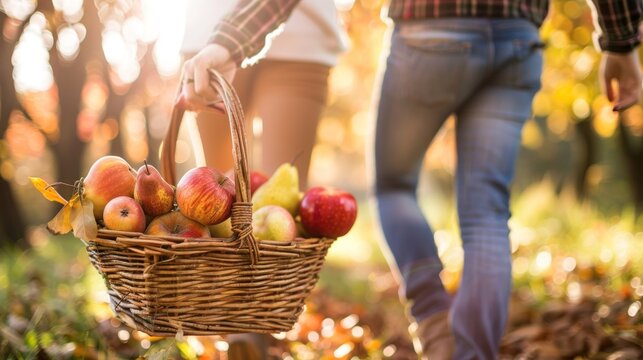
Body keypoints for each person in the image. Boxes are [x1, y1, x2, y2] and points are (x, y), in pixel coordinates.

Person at [180, 0, 641, 359]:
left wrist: (231, 40)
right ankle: (473, 355)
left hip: (429, 29)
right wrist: (620, 41)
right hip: (517, 35)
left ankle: (433, 320)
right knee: (486, 211)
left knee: (395, 187)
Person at [180, 0, 347, 359]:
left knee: (264, 208)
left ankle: (243, 328)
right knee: (222, 205)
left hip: (261, 33)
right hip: (283, 34)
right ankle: (248, 327)